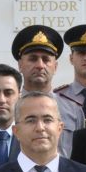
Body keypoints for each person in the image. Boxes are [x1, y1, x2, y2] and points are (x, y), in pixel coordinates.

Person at [13, 23, 67, 153]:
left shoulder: (72, 109)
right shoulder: (8, 107)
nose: (40, 65)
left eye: (46, 59)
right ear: (20, 65)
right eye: (33, 59)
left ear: (55, 66)